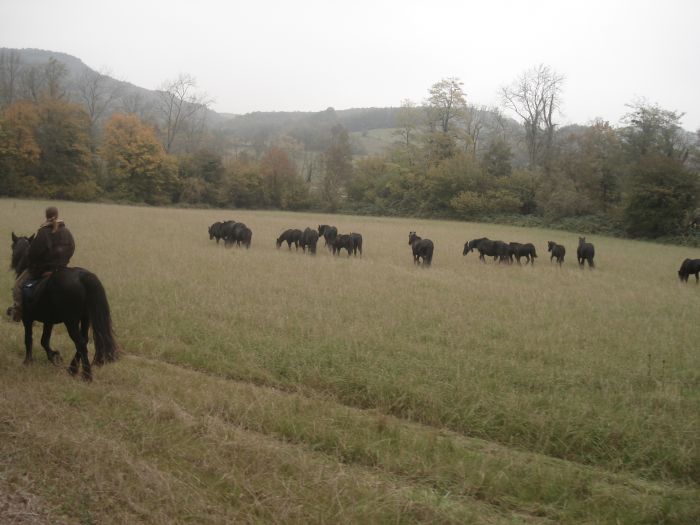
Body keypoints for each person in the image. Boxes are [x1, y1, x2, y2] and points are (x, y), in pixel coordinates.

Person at [8, 206, 75, 322]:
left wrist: (36, 267)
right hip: (61, 269)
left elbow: (32, 254)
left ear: (46, 216)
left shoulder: (43, 232)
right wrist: (63, 263)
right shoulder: (66, 231)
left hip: (43, 270)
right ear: (57, 215)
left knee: (17, 287)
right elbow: (72, 248)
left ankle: (18, 314)